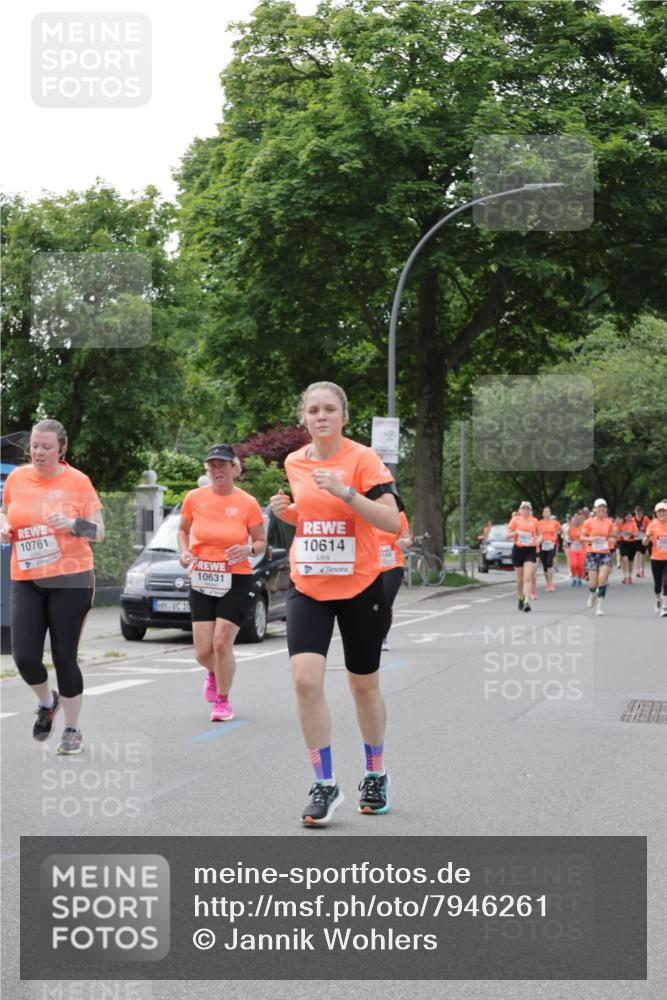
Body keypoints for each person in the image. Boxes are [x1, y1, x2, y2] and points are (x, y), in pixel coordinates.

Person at [269, 381, 400, 827]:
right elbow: (312, 518)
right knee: (305, 681)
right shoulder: (293, 462)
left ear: (344, 417)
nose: (321, 416)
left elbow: (391, 522)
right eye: (313, 410)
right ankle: (324, 784)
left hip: (361, 585)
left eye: (329, 409)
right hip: (308, 585)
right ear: (303, 418)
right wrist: (289, 514)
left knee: (363, 686)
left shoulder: (363, 459)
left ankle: (375, 773)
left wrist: (346, 491)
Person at [0, 419, 104, 754]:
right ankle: (47, 702)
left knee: (63, 656)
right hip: (27, 578)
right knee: (26, 657)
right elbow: (4, 512)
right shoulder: (17, 478)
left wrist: (74, 523)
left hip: (71, 580)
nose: (39, 452)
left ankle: (72, 730)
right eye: (34, 446)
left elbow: (99, 533)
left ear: (62, 450)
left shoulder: (78, 482)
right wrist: (3, 527)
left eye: (46, 447)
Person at [177, 444, 265, 722]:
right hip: (202, 575)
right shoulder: (194, 498)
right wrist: (184, 551)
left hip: (236, 576)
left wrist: (248, 550)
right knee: (203, 652)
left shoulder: (247, 503)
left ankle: (223, 702)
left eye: (222, 465)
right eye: (212, 465)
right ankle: (214, 672)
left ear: (233, 468)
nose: (217, 470)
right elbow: (182, 530)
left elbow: (261, 542)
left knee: (222, 642)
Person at [377, 510, 411, 650]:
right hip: (371, 566)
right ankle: (370, 635)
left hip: (393, 565)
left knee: (385, 602)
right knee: (369, 604)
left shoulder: (399, 515)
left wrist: (404, 542)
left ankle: (382, 637)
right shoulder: (366, 510)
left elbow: (407, 539)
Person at [580, 499, 618, 616]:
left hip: (605, 553)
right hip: (592, 553)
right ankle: (592, 595)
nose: (601, 509)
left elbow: (613, 537)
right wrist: (591, 539)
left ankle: (600, 607)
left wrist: (612, 539)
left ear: (606, 509)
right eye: (599, 507)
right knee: (592, 583)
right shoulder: (588, 522)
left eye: (603, 507)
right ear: (595, 509)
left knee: (602, 579)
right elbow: (582, 537)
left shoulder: (610, 523)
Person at [507, 501, 541, 613]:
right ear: (520, 510)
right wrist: (516, 532)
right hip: (518, 550)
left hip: (530, 550)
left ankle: (526, 601)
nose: (526, 510)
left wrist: (537, 542)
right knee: (519, 579)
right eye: (523, 508)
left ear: (530, 510)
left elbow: (540, 535)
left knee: (527, 577)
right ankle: (520, 597)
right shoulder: (515, 520)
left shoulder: (534, 521)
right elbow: (507, 535)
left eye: (528, 509)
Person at [641, 500, 667, 617]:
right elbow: (644, 543)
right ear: (656, 513)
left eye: (664, 511)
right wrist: (647, 536)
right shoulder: (652, 525)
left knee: (666, 583)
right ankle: (658, 599)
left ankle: (665, 608)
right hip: (656, 558)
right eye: (659, 512)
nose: (662, 513)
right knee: (658, 585)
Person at [536, 507, 561, 592]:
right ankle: (548, 583)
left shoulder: (555, 523)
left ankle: (551, 583)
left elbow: (561, 531)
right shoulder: (539, 523)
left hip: (551, 544)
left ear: (550, 513)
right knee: (545, 566)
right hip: (542, 545)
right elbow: (535, 533)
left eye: (548, 512)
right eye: (545, 512)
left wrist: (561, 536)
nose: (547, 513)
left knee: (549, 563)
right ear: (543, 514)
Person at [567, 511, 586, 587]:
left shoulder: (584, 528)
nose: (577, 520)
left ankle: (580, 579)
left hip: (582, 548)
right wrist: (567, 540)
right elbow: (568, 538)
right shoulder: (570, 528)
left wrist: (582, 541)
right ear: (573, 519)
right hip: (573, 548)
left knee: (580, 565)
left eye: (578, 518)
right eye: (575, 518)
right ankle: (574, 577)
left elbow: (586, 537)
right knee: (573, 564)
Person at [619, 511, 638, 584]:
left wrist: (631, 533)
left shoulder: (633, 523)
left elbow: (637, 534)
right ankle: (626, 576)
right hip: (623, 543)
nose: (629, 518)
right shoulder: (621, 524)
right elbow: (617, 533)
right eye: (628, 517)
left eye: (630, 517)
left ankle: (629, 576)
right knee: (625, 560)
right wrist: (621, 533)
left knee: (630, 561)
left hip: (632, 543)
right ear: (625, 517)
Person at [632, 505, 650, 578]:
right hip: (636, 538)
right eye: (637, 511)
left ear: (642, 512)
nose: (639, 513)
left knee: (643, 554)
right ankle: (638, 570)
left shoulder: (645, 518)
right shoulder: (633, 519)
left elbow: (650, 527)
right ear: (635, 512)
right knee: (637, 553)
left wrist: (644, 529)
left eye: (640, 511)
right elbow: (631, 528)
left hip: (644, 538)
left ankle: (642, 569)